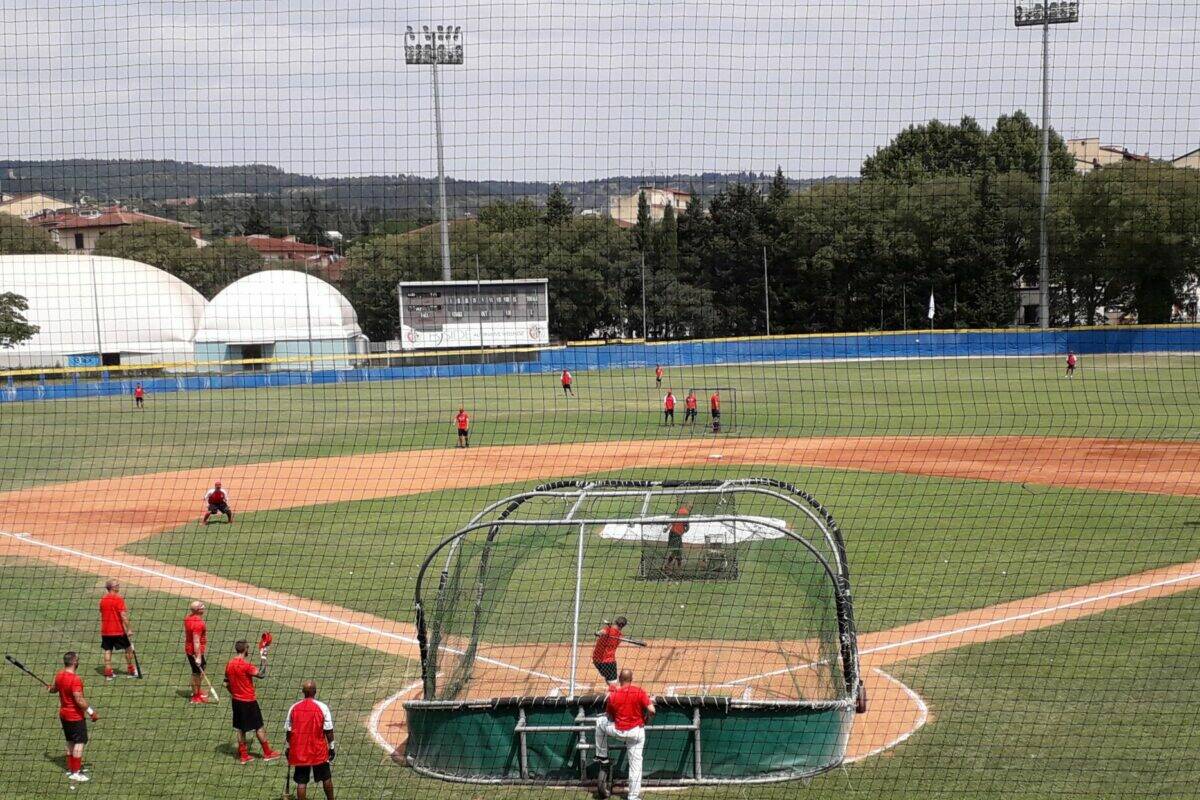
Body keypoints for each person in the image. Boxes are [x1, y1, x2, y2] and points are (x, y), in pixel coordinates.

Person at [593, 668, 655, 800]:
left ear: (620, 680)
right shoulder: (639, 691)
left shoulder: (614, 695)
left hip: (619, 731)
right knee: (636, 765)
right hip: (636, 733)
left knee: (599, 722)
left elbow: (609, 716)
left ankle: (602, 755)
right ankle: (633, 797)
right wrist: (647, 719)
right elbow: (652, 710)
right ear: (631, 679)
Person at [224, 639, 280, 764]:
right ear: (245, 649)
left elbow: (225, 683)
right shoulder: (245, 666)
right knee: (259, 727)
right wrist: (264, 658)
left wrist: (234, 693)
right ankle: (267, 753)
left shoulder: (229, 664)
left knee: (240, 728)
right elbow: (261, 674)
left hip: (236, 701)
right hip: (249, 702)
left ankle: (243, 756)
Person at [51, 651, 99, 783]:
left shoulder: (59, 674)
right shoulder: (75, 679)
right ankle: (76, 773)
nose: (78, 661)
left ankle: (71, 768)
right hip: (75, 716)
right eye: (77, 659)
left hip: (63, 715)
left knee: (70, 741)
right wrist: (91, 712)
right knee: (79, 742)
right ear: (73, 662)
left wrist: (50, 688)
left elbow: (54, 689)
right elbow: (79, 700)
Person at [285, 680, 336, 800]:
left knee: (301, 782)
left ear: (303, 692)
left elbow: (288, 732)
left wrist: (289, 748)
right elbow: (328, 731)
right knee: (326, 778)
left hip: (300, 751)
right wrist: (332, 747)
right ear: (315, 691)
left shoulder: (294, 707)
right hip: (318, 750)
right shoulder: (322, 707)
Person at [99, 579, 136, 680]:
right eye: (117, 585)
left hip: (105, 631)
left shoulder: (103, 600)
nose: (119, 586)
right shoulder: (118, 599)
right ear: (112, 587)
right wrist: (129, 629)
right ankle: (131, 670)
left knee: (107, 650)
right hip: (118, 630)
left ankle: (108, 673)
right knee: (128, 648)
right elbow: (123, 615)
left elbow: (102, 613)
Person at [184, 600, 212, 704]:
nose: (204, 606)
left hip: (190, 649)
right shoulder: (198, 623)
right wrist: (198, 656)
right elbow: (196, 641)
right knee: (196, 673)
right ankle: (196, 697)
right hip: (195, 651)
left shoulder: (188, 618)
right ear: (198, 610)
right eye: (201, 605)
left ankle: (198, 691)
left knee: (200, 670)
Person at [592, 616, 629, 687]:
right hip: (608, 663)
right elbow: (606, 633)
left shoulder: (608, 630)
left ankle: (611, 691)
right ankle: (614, 696)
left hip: (596, 661)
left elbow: (600, 632)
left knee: (608, 678)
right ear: (622, 626)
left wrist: (598, 633)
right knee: (614, 684)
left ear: (615, 622)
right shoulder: (620, 636)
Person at [665, 505, 689, 576]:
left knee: (678, 551)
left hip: (677, 535)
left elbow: (686, 527)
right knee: (676, 551)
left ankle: (671, 567)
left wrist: (667, 528)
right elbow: (686, 527)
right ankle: (669, 567)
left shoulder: (679, 513)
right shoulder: (684, 513)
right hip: (674, 534)